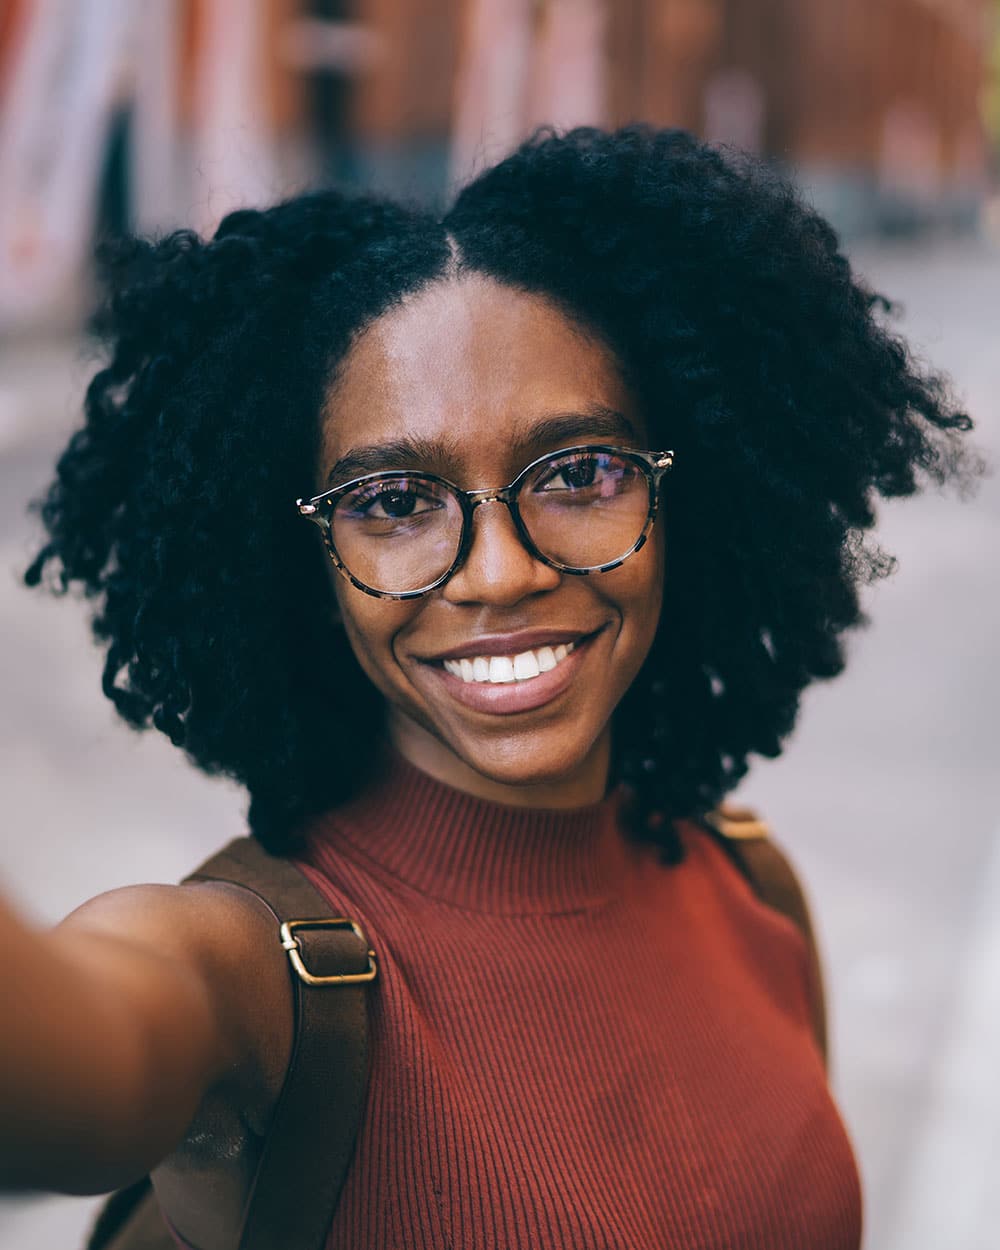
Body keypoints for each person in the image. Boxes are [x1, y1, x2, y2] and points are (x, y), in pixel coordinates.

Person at [0, 125, 980, 1249]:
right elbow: (66, 1054)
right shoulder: (247, 982)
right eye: (393, 501)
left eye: (579, 473)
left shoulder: (751, 885)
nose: (502, 570)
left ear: (680, 497)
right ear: (305, 562)